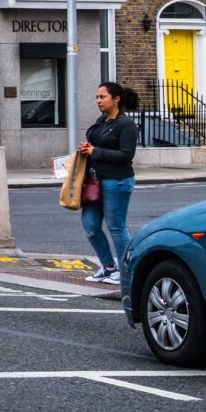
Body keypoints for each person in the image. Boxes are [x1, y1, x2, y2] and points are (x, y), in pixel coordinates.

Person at [81, 81, 142, 293]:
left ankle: (127, 270)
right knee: (90, 225)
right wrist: (86, 150)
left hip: (117, 181)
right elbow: (95, 146)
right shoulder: (102, 121)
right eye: (97, 97)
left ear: (115, 99)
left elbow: (126, 155)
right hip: (95, 182)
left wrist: (95, 152)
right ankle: (108, 267)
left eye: (102, 97)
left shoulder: (126, 125)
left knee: (116, 227)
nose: (98, 101)